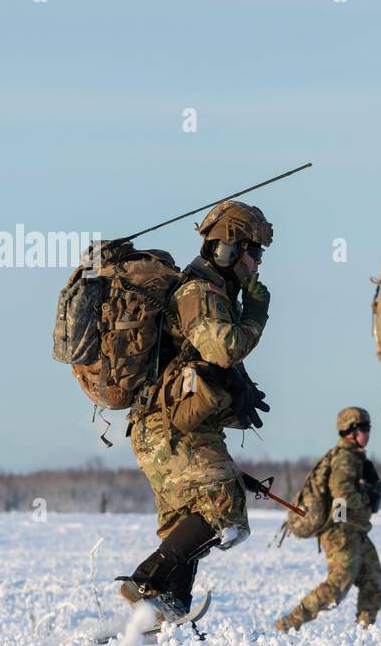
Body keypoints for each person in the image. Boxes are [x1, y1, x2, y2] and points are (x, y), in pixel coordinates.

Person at [116, 201, 273, 619]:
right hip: (171, 428)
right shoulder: (198, 292)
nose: (258, 262)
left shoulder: (212, 294)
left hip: (168, 427)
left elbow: (205, 364)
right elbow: (223, 348)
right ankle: (145, 581)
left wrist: (238, 394)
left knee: (188, 521)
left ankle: (168, 605)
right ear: (229, 249)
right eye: (255, 251)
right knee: (224, 507)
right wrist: (257, 313)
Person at [275, 407, 381, 630]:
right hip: (341, 532)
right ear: (350, 431)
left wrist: (378, 493)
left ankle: (365, 634)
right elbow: (343, 495)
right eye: (364, 428)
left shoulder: (355, 457)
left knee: (374, 586)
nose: (368, 433)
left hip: (356, 530)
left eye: (368, 428)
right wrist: (369, 497)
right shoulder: (345, 458)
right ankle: (287, 625)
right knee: (335, 589)